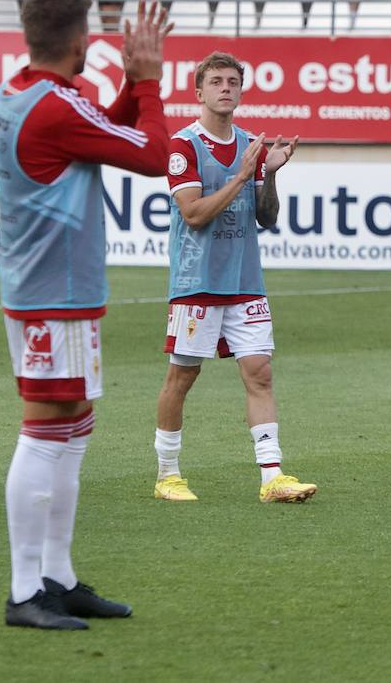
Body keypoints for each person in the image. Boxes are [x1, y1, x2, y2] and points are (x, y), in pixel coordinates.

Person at [0, 0, 171, 630]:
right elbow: (152, 156)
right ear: (80, 42)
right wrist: (146, 80)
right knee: (44, 425)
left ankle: (57, 578)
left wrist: (128, 86)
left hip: (47, 289)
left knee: (72, 421)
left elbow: (103, 132)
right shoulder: (56, 107)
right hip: (52, 295)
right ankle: (23, 592)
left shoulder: (18, 94)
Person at [153, 53, 314, 506]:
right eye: (216, 81)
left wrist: (270, 177)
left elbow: (266, 217)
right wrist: (244, 173)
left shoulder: (252, 145)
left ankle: (272, 475)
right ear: (199, 91)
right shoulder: (184, 146)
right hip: (197, 281)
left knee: (259, 373)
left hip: (245, 279)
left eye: (233, 82)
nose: (226, 88)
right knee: (182, 377)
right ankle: (168, 473)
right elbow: (194, 214)